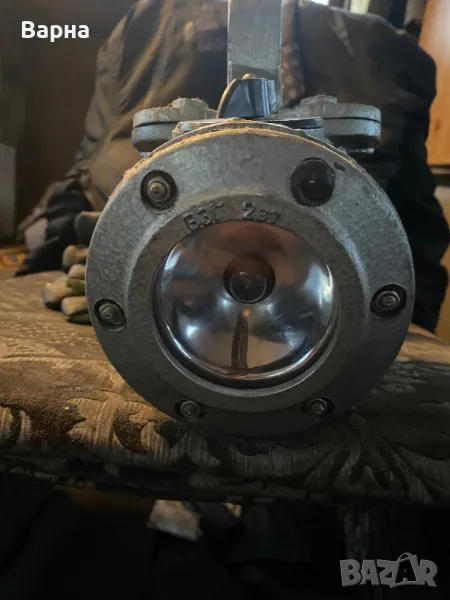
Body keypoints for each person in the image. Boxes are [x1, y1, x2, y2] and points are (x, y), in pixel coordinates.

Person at [16, 0, 449, 333]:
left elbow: (415, 233)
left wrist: (396, 324)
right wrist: (77, 246)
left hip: (317, 299)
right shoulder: (140, 31)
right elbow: (88, 168)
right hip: (166, 286)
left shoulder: (379, 48)